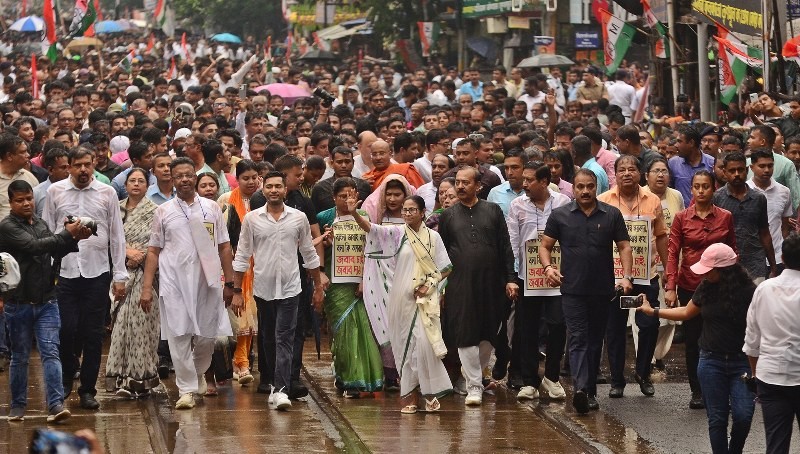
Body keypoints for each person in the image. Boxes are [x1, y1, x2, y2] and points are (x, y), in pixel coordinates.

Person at [639, 243, 756, 454]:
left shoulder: (750, 292)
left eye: (709, 270)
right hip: (711, 361)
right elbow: (686, 312)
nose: (704, 274)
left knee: (743, 415)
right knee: (717, 419)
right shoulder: (705, 287)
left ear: (724, 270)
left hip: (742, 362)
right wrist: (653, 312)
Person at [139, 157, 235, 410]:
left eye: (188, 175)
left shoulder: (212, 208)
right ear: (172, 179)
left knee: (206, 336)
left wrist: (230, 283)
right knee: (178, 335)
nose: (184, 180)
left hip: (208, 282)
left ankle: (198, 372)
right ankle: (187, 390)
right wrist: (147, 288)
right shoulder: (163, 211)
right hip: (174, 284)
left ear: (195, 177)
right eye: (178, 176)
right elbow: (153, 251)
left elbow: (224, 247)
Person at [539, 169, 633, 414]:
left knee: (594, 341)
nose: (585, 191)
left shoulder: (611, 214)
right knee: (578, 338)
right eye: (580, 187)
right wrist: (548, 268)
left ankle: (590, 391)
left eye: (590, 186)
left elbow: (624, 246)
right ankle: (581, 389)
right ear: (574, 189)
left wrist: (626, 276)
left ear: (596, 187)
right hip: (572, 290)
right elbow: (545, 246)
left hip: (603, 290)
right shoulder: (560, 216)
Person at [348, 193, 453, 412]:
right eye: (404, 210)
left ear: (422, 212)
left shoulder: (433, 238)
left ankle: (429, 393)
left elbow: (445, 268)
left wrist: (428, 286)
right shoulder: (397, 234)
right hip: (400, 300)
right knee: (405, 346)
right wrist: (353, 214)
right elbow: (372, 229)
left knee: (424, 346)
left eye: (412, 210)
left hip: (424, 301)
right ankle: (411, 398)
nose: (407, 213)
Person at [231, 171, 324, 411]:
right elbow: (242, 255)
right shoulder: (252, 219)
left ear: (285, 190)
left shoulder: (299, 218)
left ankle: (281, 390)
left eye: (278, 187)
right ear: (263, 189)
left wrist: (317, 285)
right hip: (263, 288)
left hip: (292, 287)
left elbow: (308, 253)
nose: (274, 190)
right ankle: (272, 383)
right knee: (268, 337)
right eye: (269, 186)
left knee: (285, 336)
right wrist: (237, 290)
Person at [43, 148, 128, 410]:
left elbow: (116, 235)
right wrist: (46, 274)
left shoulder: (108, 192)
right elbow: (47, 231)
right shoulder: (54, 192)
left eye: (87, 165)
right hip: (65, 272)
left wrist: (119, 275)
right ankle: (68, 375)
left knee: (93, 335)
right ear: (68, 166)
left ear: (93, 166)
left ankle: (88, 390)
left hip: (97, 272)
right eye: (77, 165)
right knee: (66, 330)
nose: (82, 170)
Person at [1, 180, 92, 422]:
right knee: (19, 356)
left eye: (29, 198)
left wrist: (75, 238)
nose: (26, 203)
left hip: (47, 302)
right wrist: (66, 234)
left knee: (51, 352)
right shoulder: (7, 226)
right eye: (20, 200)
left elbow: (53, 251)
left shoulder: (40, 223)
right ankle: (18, 406)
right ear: (11, 203)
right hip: (18, 302)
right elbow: (34, 247)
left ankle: (55, 405)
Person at [439, 166, 517, 406]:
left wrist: (510, 278)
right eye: (458, 183)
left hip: (491, 283)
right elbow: (441, 253)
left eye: (466, 182)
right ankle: (474, 385)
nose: (460, 186)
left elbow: (505, 246)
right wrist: (441, 287)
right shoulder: (448, 215)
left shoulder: (493, 211)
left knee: (488, 333)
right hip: (459, 283)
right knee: (465, 332)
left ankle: (475, 376)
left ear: (478, 186)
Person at [597, 155, 668, 398]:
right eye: (621, 170)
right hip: (613, 278)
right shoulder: (603, 201)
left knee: (649, 324)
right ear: (614, 175)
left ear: (640, 173)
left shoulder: (653, 200)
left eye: (631, 169)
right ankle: (617, 379)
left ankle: (643, 373)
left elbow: (661, 236)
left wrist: (667, 269)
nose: (627, 173)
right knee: (614, 328)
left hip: (646, 276)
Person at [665, 170, 737, 410]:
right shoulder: (681, 218)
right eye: (697, 186)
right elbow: (673, 253)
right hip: (690, 284)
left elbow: (732, 252)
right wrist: (670, 287)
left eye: (706, 186)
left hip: (721, 285)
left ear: (713, 188)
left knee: (722, 336)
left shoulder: (725, 217)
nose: (701, 190)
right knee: (693, 340)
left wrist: (736, 283)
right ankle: (697, 390)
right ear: (692, 190)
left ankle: (719, 387)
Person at [506, 161, 571, 401]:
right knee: (527, 329)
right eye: (523, 179)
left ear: (544, 182)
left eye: (529, 180)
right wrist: (512, 277)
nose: (524, 184)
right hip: (527, 276)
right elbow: (513, 240)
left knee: (557, 325)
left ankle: (552, 378)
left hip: (556, 276)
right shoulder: (517, 205)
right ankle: (529, 381)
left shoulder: (563, 203)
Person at [316, 178, 385, 398]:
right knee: (342, 332)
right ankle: (345, 376)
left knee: (361, 329)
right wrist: (326, 243)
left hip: (359, 282)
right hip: (335, 283)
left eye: (351, 195)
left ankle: (360, 380)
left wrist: (364, 280)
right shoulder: (324, 217)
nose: (348, 200)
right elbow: (315, 249)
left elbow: (370, 248)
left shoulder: (363, 217)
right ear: (333, 198)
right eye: (342, 196)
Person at [105, 168, 161, 397]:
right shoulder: (115, 208)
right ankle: (120, 378)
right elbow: (108, 239)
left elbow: (157, 245)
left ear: (147, 186)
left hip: (145, 275)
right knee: (120, 326)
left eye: (141, 181)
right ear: (125, 185)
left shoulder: (155, 211)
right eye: (132, 181)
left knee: (141, 325)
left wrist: (140, 257)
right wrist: (126, 252)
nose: (136, 184)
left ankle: (140, 380)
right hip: (121, 274)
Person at [744, 233, 800, 454]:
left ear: (783, 258)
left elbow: (752, 340)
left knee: (776, 444)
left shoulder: (764, 289)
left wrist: (756, 374)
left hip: (770, 376)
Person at [361, 174, 416, 390]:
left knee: (405, 325)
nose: (393, 199)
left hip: (407, 275)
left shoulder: (415, 220)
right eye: (389, 194)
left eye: (398, 194)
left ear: (406, 195)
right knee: (382, 324)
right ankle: (389, 375)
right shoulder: (376, 218)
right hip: (379, 277)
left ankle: (408, 374)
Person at [218, 160, 261, 386]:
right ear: (237, 179)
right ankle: (239, 362)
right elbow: (221, 236)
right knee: (239, 312)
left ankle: (244, 360)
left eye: (255, 177)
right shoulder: (226, 200)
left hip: (260, 265)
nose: (251, 182)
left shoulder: (263, 199)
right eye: (246, 178)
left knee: (252, 313)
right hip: (235, 263)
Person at [713, 152, 776, 282]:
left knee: (757, 301)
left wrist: (773, 267)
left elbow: (764, 232)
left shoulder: (758, 198)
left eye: (740, 170)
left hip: (755, 262)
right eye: (732, 170)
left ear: (747, 170)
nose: (737, 174)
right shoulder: (717, 198)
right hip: (727, 264)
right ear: (724, 172)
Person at [747, 149, 793, 276]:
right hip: (752, 258)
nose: (766, 170)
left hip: (778, 257)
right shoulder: (745, 192)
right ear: (752, 167)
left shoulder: (784, 192)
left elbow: (785, 226)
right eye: (762, 166)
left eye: (770, 165)